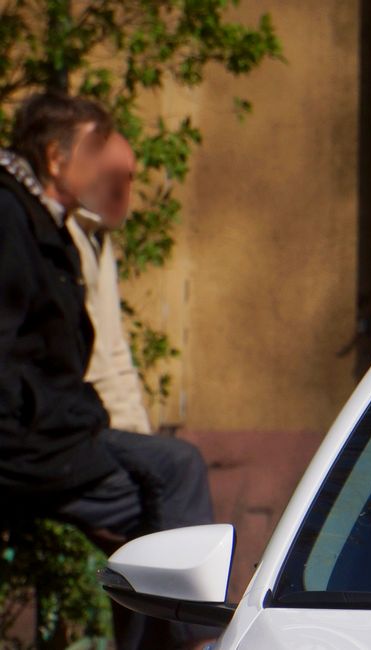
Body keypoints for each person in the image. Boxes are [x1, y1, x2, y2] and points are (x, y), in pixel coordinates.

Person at [0, 92, 214, 649]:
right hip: (31, 442)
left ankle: (187, 637)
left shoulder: (53, 225)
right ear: (56, 158)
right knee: (172, 484)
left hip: (60, 428)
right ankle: (196, 641)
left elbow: (92, 354)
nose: (109, 180)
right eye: (96, 156)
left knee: (163, 503)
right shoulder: (13, 220)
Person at [68, 132, 152, 434]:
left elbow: (116, 352)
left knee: (173, 457)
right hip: (75, 423)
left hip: (107, 424)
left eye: (128, 178)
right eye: (111, 176)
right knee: (181, 459)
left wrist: (139, 432)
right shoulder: (65, 236)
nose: (121, 190)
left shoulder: (98, 240)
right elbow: (96, 363)